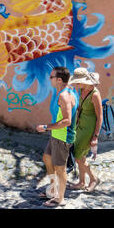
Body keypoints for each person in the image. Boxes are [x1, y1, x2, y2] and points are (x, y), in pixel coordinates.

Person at [36, 66, 78, 207]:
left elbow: (67, 121)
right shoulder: (66, 90)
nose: (49, 79)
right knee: (47, 158)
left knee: (60, 168)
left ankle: (60, 198)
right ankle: (53, 188)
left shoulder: (64, 96)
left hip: (63, 136)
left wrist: (46, 127)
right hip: (57, 134)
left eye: (51, 77)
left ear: (59, 80)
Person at [67, 68, 102, 192]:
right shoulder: (82, 89)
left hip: (88, 129)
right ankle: (81, 182)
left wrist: (95, 137)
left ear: (85, 81)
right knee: (80, 155)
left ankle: (93, 179)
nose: (76, 84)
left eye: (78, 82)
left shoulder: (95, 94)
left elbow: (100, 117)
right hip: (79, 126)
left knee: (78, 156)